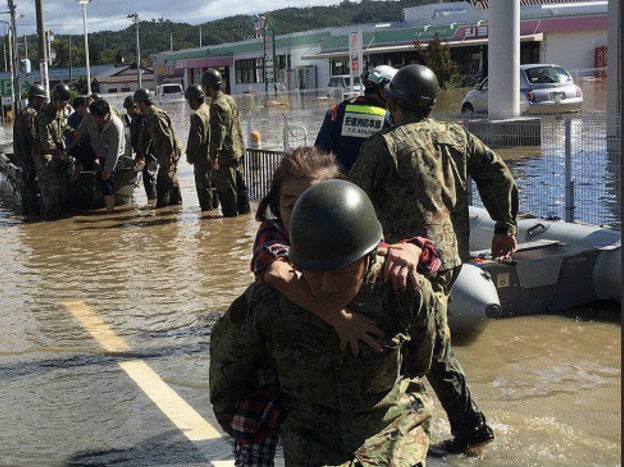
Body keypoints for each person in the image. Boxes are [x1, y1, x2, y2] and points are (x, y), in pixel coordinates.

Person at [221, 147, 441, 466]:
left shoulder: (352, 239)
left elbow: (393, 256)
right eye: (292, 205)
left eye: (316, 201)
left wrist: (412, 248)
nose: (307, 213)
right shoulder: (274, 241)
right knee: (254, 444)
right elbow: (276, 274)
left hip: (365, 418)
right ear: (277, 206)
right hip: (276, 395)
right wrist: (339, 317)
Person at [349, 64, 519, 457]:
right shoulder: (457, 136)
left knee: (430, 345)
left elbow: (350, 201)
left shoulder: (383, 147)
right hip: (450, 257)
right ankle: (428, 424)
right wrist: (504, 224)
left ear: (393, 104)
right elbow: (498, 173)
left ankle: (470, 429)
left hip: (408, 263)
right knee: (424, 338)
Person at [314, 64, 396, 173]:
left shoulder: (336, 112)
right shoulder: (389, 119)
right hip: (374, 182)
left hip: (341, 181)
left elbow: (319, 154)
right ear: (384, 91)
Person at [201, 69, 250, 217]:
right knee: (240, 187)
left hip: (226, 155)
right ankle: (245, 219)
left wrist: (213, 155)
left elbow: (218, 133)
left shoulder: (216, 105)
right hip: (238, 150)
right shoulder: (229, 99)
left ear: (209, 87)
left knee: (227, 191)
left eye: (204, 86)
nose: (203, 89)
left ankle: (231, 221)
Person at [134, 88, 183, 208]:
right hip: (163, 152)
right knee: (171, 178)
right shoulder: (147, 116)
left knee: (162, 181)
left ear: (142, 103)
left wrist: (169, 156)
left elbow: (168, 137)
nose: (136, 107)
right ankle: (176, 205)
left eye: (137, 104)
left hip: (170, 151)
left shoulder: (156, 116)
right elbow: (145, 137)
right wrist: (140, 155)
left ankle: (161, 209)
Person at [32, 83, 72, 220]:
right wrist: (60, 154)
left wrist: (73, 132)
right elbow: (46, 143)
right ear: (54, 100)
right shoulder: (44, 117)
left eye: (66, 104)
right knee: (49, 191)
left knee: (59, 189)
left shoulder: (58, 112)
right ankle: (48, 219)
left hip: (56, 156)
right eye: (61, 103)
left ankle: (56, 221)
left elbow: (63, 127)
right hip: (44, 157)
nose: (63, 106)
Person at [85, 99, 128, 213]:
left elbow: (114, 152)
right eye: (96, 117)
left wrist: (107, 170)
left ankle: (110, 212)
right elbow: (81, 131)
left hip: (113, 154)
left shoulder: (116, 125)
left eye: (101, 117)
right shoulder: (89, 117)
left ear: (108, 114)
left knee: (106, 181)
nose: (98, 120)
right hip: (97, 149)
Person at [13, 84, 47, 216]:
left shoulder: (21, 113)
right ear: (35, 99)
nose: (43, 103)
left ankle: (27, 215)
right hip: (31, 156)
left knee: (26, 184)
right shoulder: (31, 115)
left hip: (22, 155)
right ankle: (34, 215)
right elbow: (34, 138)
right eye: (41, 100)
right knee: (32, 185)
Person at [184, 85, 218, 212]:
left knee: (204, 191)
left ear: (193, 100)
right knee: (213, 188)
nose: (189, 104)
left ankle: (207, 217)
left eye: (189, 101)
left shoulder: (197, 116)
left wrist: (190, 156)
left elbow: (196, 140)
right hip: (212, 156)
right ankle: (215, 214)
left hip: (201, 159)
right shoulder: (209, 110)